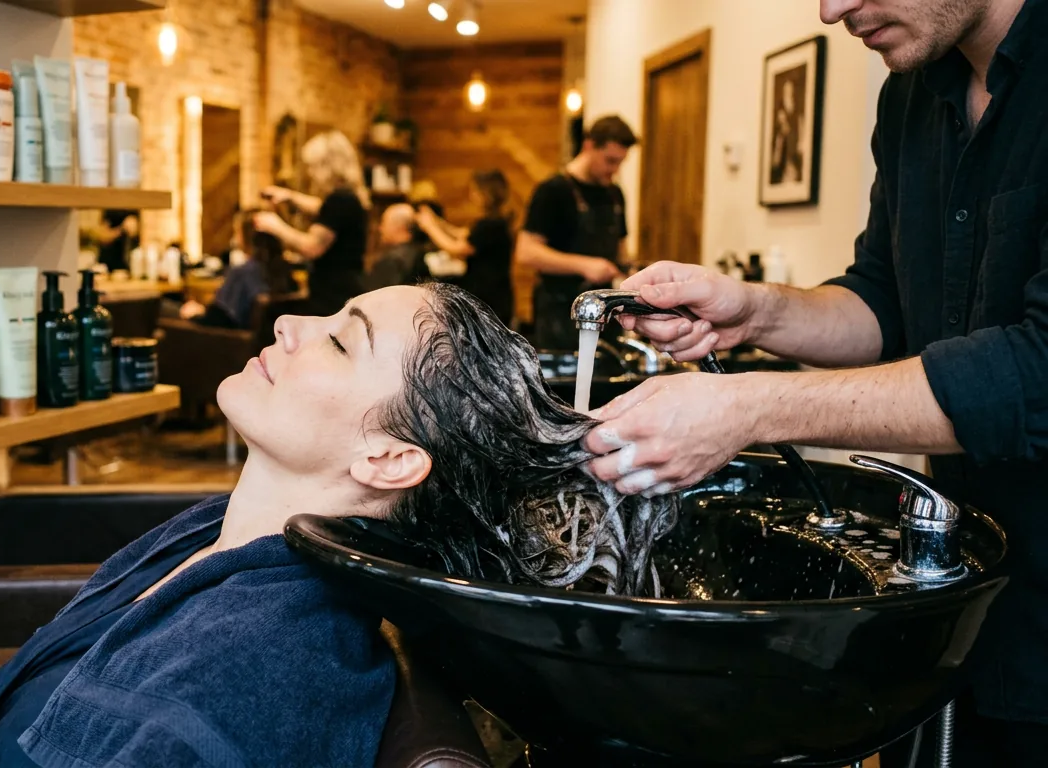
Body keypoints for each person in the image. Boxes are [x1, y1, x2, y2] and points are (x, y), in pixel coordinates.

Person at [0, 283, 676, 768]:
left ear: (387, 460)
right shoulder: (212, 541)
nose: (289, 323)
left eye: (342, 343)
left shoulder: (248, 671)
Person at [583, 0, 1048, 764]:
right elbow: (884, 304)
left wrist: (747, 408)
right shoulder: (912, 93)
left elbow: (1035, 373)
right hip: (951, 600)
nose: (832, 10)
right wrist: (753, 312)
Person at [516, 115, 636, 350]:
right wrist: (584, 265)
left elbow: (621, 250)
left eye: (620, 162)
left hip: (606, 312)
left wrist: (630, 270)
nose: (615, 169)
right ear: (589, 146)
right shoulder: (553, 191)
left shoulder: (615, 194)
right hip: (561, 313)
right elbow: (526, 252)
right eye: (610, 160)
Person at [255, 131, 370, 317]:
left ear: (327, 166)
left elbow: (312, 247)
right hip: (346, 289)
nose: (310, 173)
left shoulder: (340, 199)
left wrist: (275, 225)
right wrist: (290, 197)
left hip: (332, 295)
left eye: (313, 167)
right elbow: (325, 210)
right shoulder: (350, 197)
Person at [416, 169, 515, 326]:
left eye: (475, 191)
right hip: (496, 292)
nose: (472, 195)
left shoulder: (489, 225)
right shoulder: (497, 221)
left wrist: (430, 227)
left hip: (488, 295)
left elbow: (458, 248)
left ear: (486, 193)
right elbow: (462, 234)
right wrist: (437, 221)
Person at [180, 212, 297, 330]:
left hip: (231, 343)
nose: (235, 238)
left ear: (246, 236)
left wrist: (196, 314)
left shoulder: (241, 273)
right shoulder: (284, 270)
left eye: (237, 232)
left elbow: (220, 320)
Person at [367, 202, 428, 290]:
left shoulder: (391, 261)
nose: (380, 228)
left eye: (383, 222)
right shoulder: (419, 253)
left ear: (399, 226)